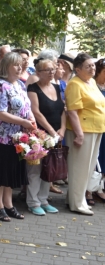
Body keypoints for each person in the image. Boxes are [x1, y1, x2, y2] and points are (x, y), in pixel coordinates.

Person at [0, 52, 36, 222]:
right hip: (2, 137)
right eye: (16, 64)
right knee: (0, 173)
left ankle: (9, 204)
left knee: (10, 173)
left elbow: (26, 107)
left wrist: (31, 120)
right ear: (6, 66)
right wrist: (24, 121)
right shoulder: (0, 85)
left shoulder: (20, 85)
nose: (20, 67)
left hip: (17, 138)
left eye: (21, 64)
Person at [65, 53, 105, 215]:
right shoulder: (75, 84)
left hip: (96, 128)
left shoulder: (92, 82)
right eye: (88, 66)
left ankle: (77, 198)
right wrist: (79, 134)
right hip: (83, 130)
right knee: (79, 168)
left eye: (93, 65)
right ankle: (77, 203)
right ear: (78, 69)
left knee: (88, 168)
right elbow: (73, 111)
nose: (92, 68)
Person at [26, 59, 65, 216]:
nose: (51, 72)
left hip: (57, 135)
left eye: (53, 69)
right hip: (40, 134)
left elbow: (63, 110)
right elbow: (36, 112)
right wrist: (51, 131)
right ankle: (33, 201)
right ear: (38, 72)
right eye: (47, 69)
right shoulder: (33, 88)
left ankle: (44, 199)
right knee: (35, 169)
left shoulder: (56, 87)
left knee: (50, 168)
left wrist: (61, 129)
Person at [94, 58, 105, 202]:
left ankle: (101, 186)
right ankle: (93, 188)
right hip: (96, 126)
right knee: (97, 158)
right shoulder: (92, 86)